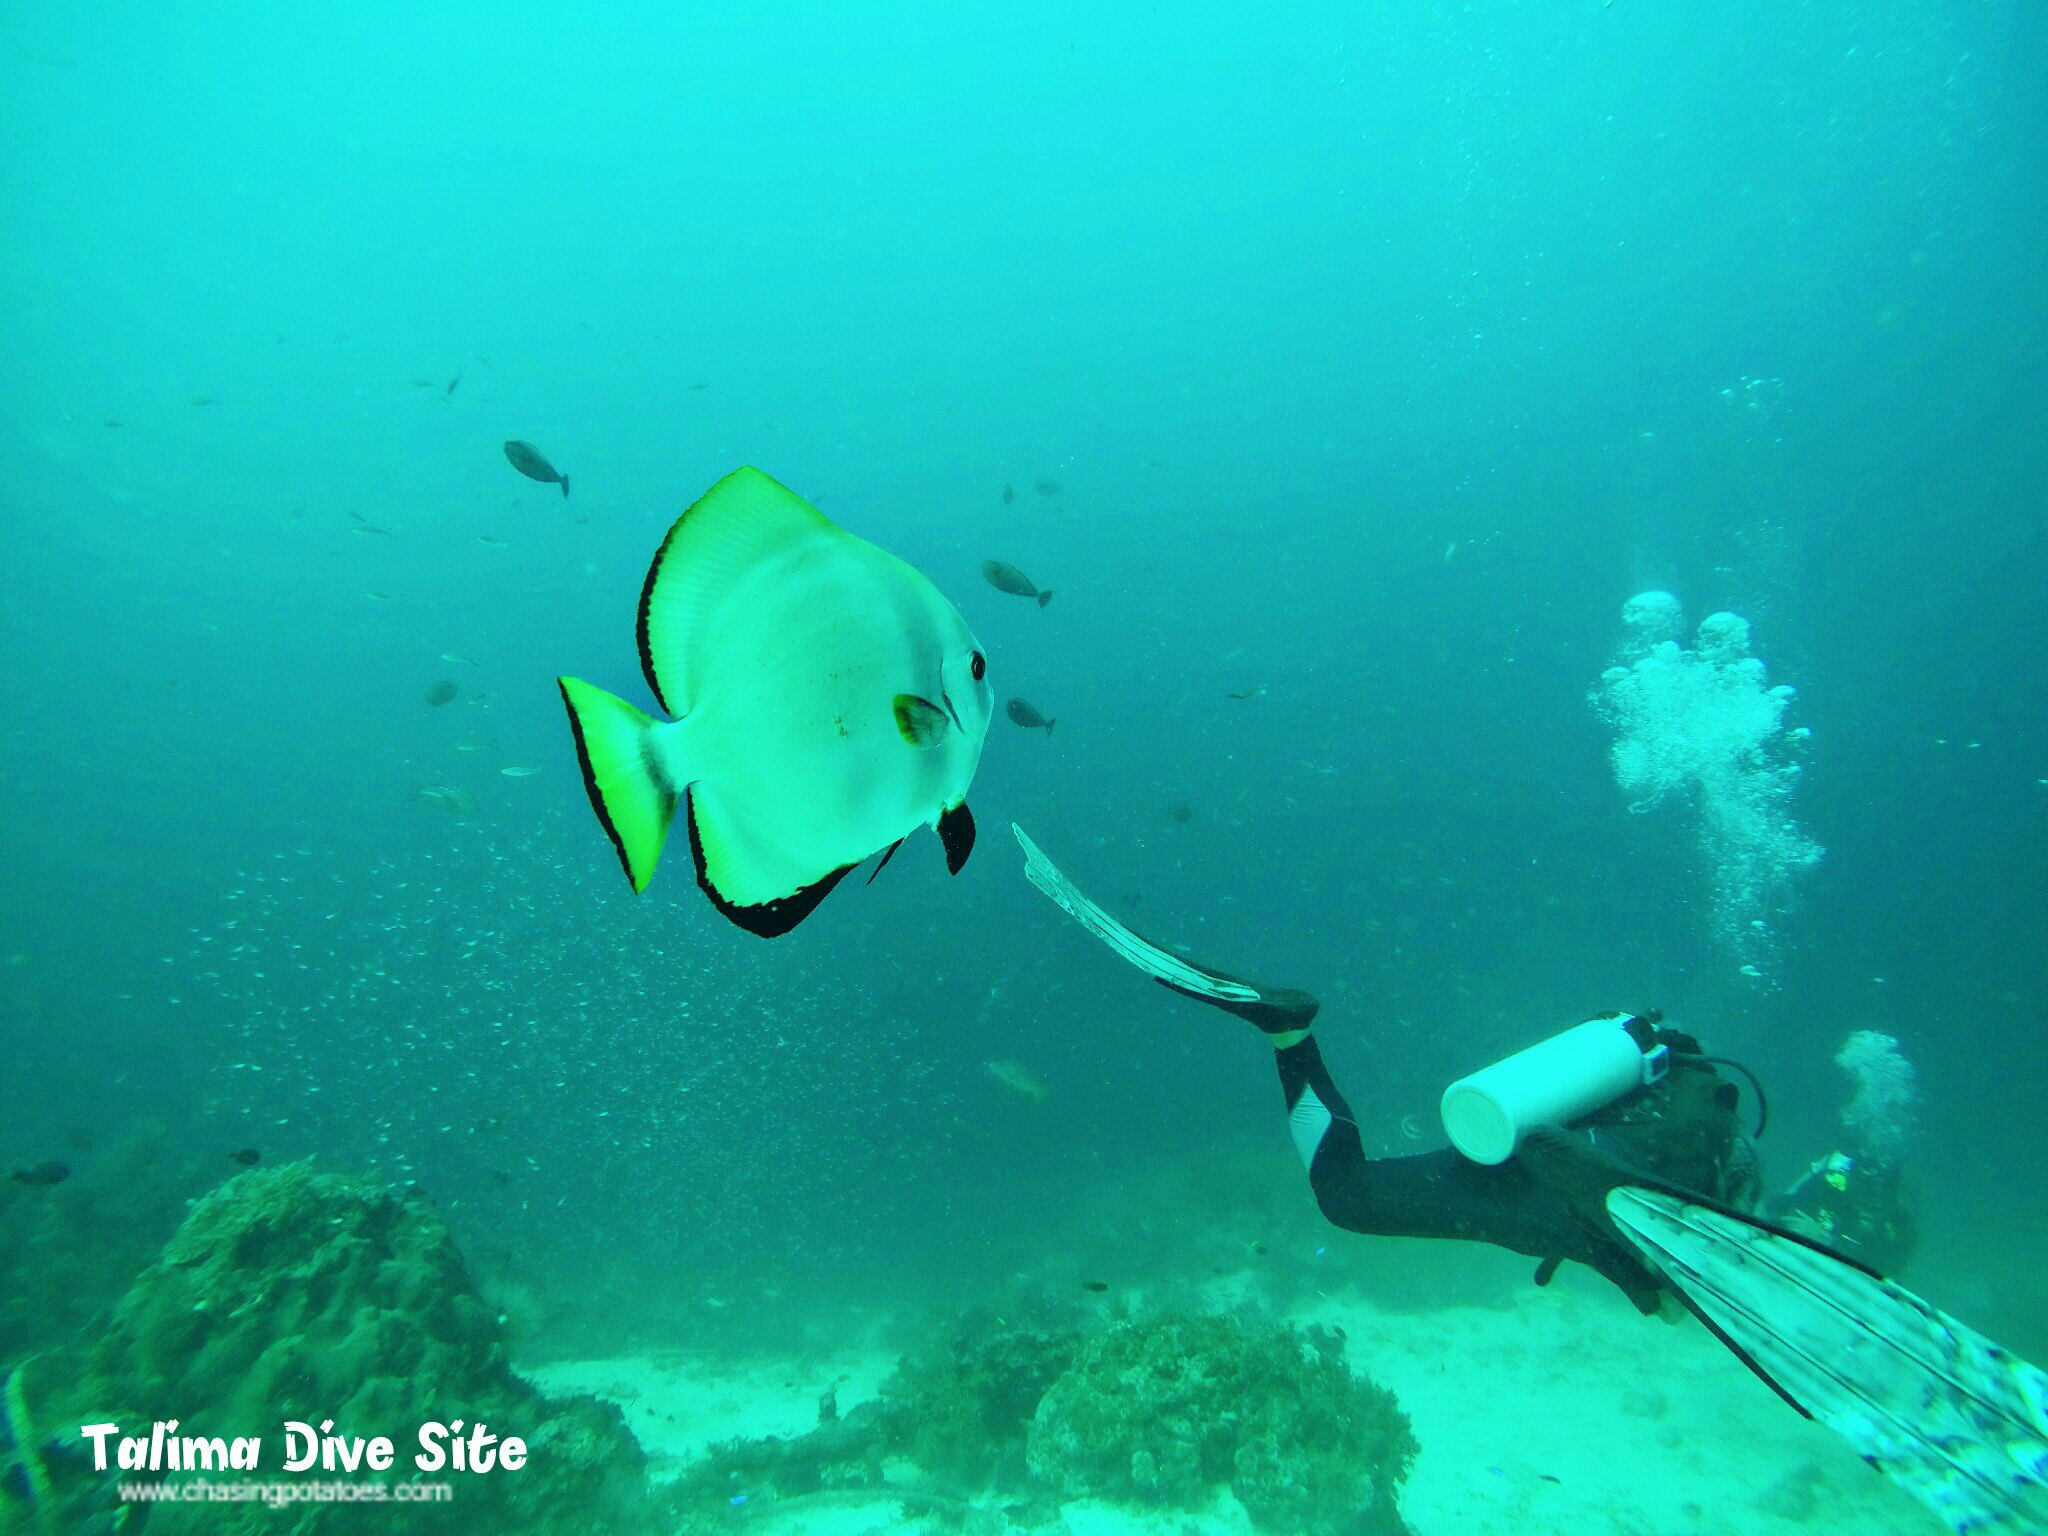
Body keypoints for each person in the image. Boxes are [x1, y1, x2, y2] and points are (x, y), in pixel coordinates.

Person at [1012, 824, 2048, 1536]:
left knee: (1348, 1196)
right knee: (1655, 1268)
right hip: (1584, 1193)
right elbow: (1716, 1267)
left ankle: (1289, 1034)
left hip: (1528, 1159)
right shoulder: (1723, 1157)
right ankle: (1582, 1181)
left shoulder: (1675, 1104)